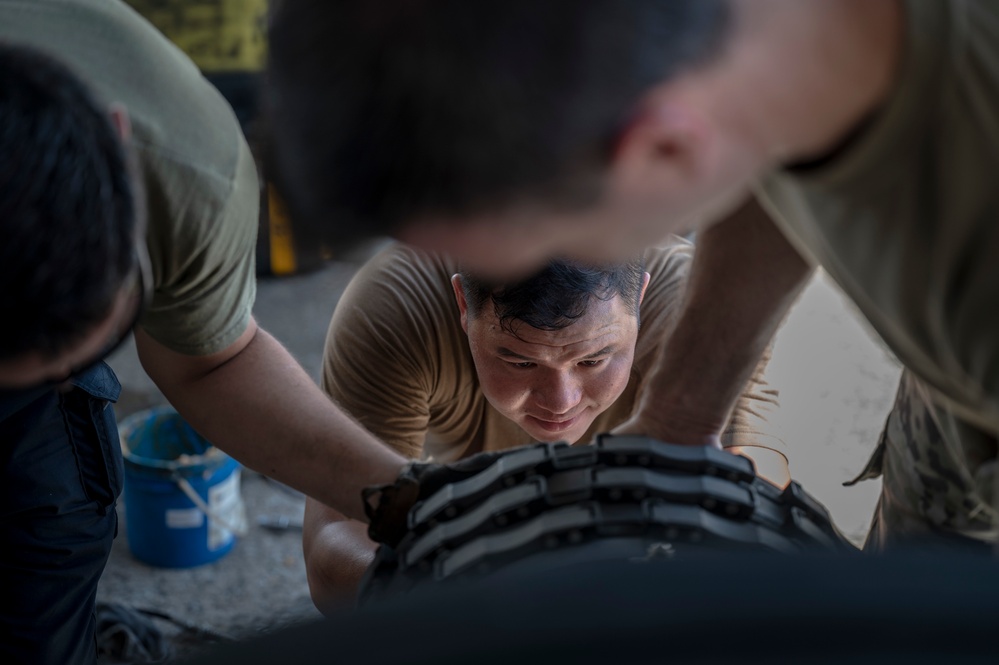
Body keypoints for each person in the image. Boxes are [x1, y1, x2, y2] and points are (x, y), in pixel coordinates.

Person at [265, 0, 999, 551]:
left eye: (527, 247)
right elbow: (764, 151)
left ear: (669, 150)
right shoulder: (759, 53)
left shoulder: (972, 297)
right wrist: (678, 418)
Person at [0, 2, 409, 662]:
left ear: (117, 140)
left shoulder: (188, 164)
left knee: (50, 533)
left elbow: (211, 360)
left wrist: (422, 502)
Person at [302, 238, 787, 611]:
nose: (561, 402)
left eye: (596, 359)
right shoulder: (397, 307)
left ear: (640, 296)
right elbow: (331, 550)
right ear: (462, 305)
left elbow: (756, 507)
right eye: (518, 362)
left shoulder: (696, 317)